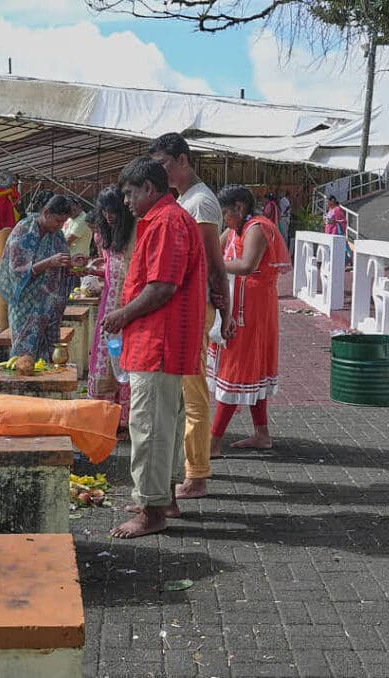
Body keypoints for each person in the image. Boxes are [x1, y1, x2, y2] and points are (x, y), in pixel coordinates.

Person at [102, 157, 206, 539]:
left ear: (148, 188)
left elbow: (162, 286)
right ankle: (165, 497)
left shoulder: (166, 221)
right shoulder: (169, 219)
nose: (126, 202)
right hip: (165, 342)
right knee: (167, 424)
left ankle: (151, 509)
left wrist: (122, 314)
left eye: (130, 193)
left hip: (158, 341)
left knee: (148, 427)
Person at [148, 132, 229, 501]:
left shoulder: (201, 203)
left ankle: (197, 474)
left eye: (164, 164)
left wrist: (225, 313)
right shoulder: (184, 200)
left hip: (195, 308)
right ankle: (190, 468)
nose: (160, 172)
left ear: (182, 159)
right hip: (184, 307)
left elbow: (214, 264)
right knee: (183, 392)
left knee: (193, 392)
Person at [207, 186, 290, 454]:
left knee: (237, 369)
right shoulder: (235, 228)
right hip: (240, 303)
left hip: (251, 308)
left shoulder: (257, 227)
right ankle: (261, 434)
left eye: (225, 213)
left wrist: (211, 264)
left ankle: (213, 443)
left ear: (239, 207)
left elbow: (246, 265)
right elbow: (213, 248)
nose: (224, 219)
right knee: (250, 369)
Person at [0, 195, 85, 361]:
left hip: (50, 305)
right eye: (57, 221)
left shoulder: (57, 235)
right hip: (26, 304)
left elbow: (62, 265)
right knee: (24, 354)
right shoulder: (23, 230)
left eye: (63, 222)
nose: (60, 226)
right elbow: (17, 271)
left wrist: (72, 263)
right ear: (46, 213)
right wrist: (49, 262)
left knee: (50, 354)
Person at [86, 186, 136, 437]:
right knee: (105, 359)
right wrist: (94, 269)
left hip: (129, 304)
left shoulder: (135, 233)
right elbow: (110, 267)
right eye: (105, 211)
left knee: (125, 361)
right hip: (108, 304)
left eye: (114, 211)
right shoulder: (101, 236)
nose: (109, 216)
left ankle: (125, 420)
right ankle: (105, 418)